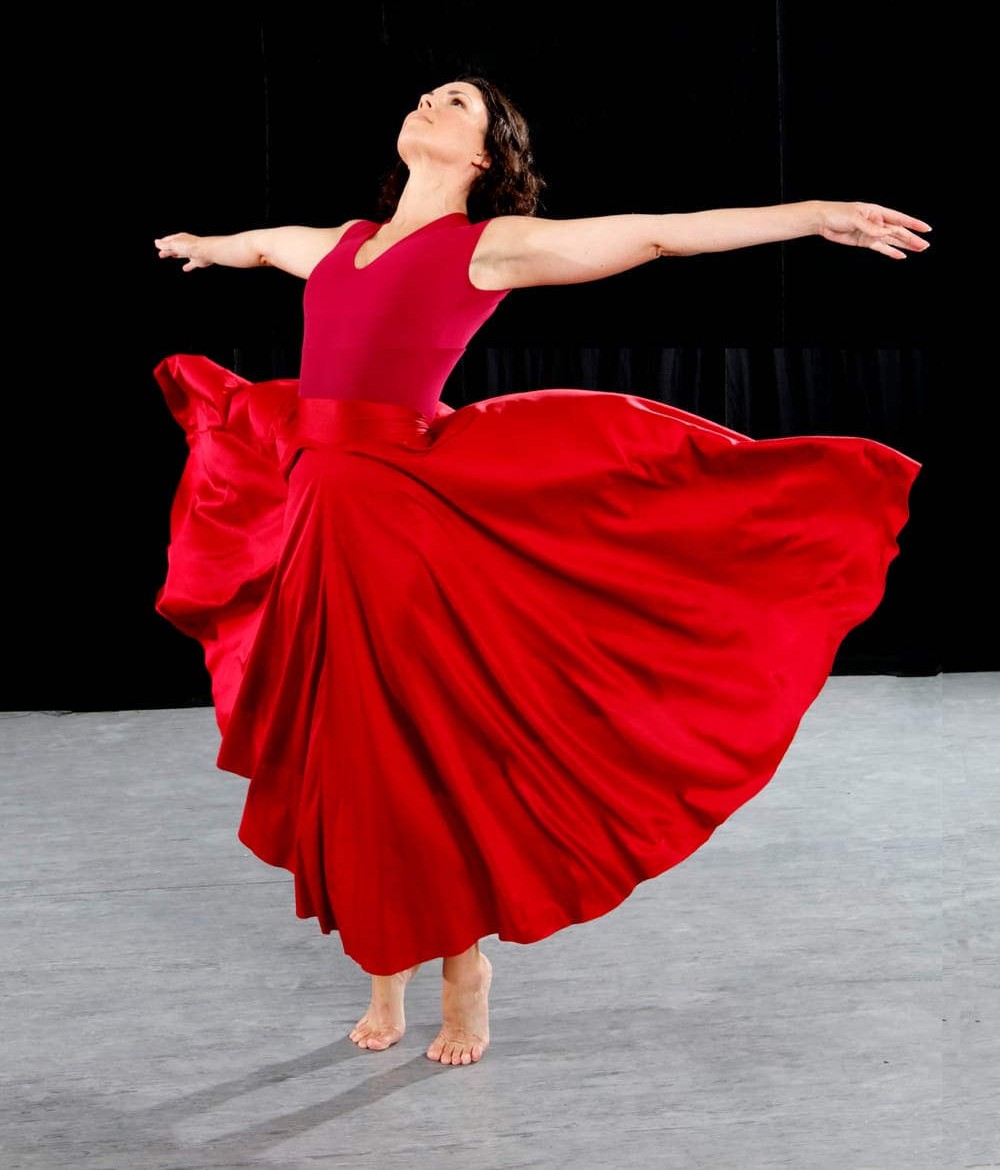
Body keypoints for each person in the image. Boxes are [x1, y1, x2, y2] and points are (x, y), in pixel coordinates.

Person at [154, 76, 929, 1067]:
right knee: (337, 742)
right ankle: (383, 969)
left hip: (399, 524)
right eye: (428, 94)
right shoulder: (341, 243)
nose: (430, 103)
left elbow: (659, 233)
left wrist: (815, 215)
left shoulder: (485, 246)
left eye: (457, 104)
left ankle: (460, 971)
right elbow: (263, 246)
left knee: (412, 743)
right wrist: (203, 248)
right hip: (315, 514)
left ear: (483, 157)